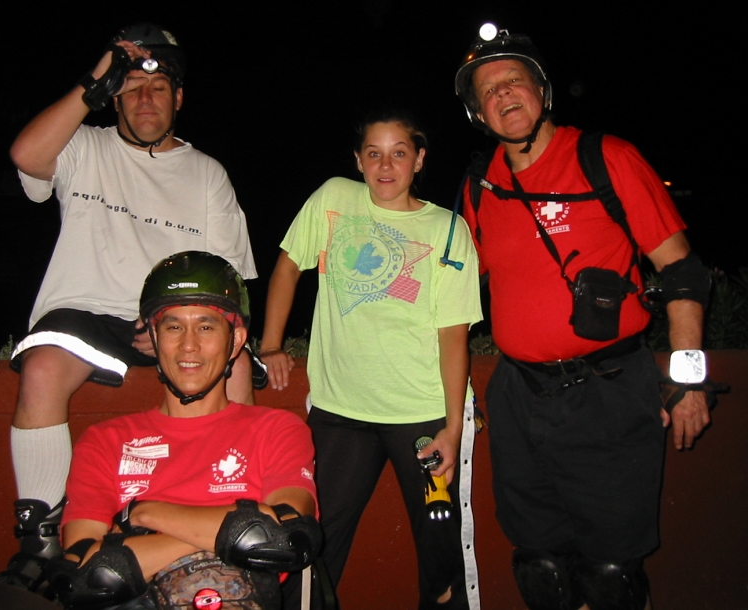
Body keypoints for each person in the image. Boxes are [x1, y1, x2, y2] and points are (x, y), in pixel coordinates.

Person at [454, 23, 712, 610]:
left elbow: (682, 271)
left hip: (610, 391)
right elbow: (450, 293)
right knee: (539, 564)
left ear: (542, 90)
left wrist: (688, 377)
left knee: (609, 572)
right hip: (520, 397)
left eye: (513, 81)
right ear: (477, 111)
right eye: (487, 90)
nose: (503, 96)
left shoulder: (606, 157)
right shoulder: (479, 183)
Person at [0, 23, 257, 590]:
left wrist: (170, 321)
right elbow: (25, 153)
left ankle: (236, 512)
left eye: (160, 87)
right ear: (113, 95)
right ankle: (40, 541)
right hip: (84, 309)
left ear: (179, 98)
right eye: (132, 88)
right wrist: (96, 76)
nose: (146, 98)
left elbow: (226, 277)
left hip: (170, 308)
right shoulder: (83, 146)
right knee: (42, 366)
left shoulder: (207, 172)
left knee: (235, 364)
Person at [260, 111, 482, 609]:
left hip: (421, 414)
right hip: (341, 410)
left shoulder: (448, 230)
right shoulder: (334, 198)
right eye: (374, 153)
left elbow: (453, 335)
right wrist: (271, 345)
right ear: (358, 160)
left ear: (419, 160)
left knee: (441, 548)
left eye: (399, 152)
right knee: (314, 541)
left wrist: (452, 426)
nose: (386, 165)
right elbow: (288, 266)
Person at [49, 251, 319, 610]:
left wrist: (142, 514)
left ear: (235, 341)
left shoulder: (276, 429)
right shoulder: (106, 441)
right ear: (155, 339)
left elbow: (281, 540)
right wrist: (235, 532)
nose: (188, 345)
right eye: (173, 326)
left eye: (206, 327)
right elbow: (91, 573)